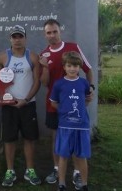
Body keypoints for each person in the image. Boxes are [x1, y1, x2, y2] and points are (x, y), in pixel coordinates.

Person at [39, 19, 94, 190]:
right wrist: (45, 67)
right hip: (55, 105)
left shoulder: (73, 47)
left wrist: (90, 89)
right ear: (45, 34)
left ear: (60, 31)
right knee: (56, 137)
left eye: (54, 31)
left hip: (75, 106)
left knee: (77, 138)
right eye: (48, 32)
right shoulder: (44, 54)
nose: (52, 35)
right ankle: (57, 170)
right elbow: (44, 83)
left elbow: (89, 69)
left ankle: (77, 172)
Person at [0, 25, 41, 187]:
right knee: (9, 139)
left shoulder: (33, 57)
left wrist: (26, 99)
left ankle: (30, 170)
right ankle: (10, 171)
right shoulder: (2, 58)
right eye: (14, 37)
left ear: (25, 38)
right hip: (9, 105)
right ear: (10, 39)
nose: (17, 39)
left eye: (20, 36)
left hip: (28, 105)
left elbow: (37, 82)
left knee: (29, 138)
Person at [50, 51, 91, 191]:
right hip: (65, 125)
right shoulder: (59, 84)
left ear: (79, 67)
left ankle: (84, 184)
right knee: (63, 155)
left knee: (81, 156)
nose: (72, 69)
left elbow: (86, 100)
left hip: (82, 126)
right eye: (69, 66)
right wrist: (63, 111)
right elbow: (54, 103)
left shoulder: (84, 83)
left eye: (75, 66)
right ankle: (61, 183)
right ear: (64, 67)